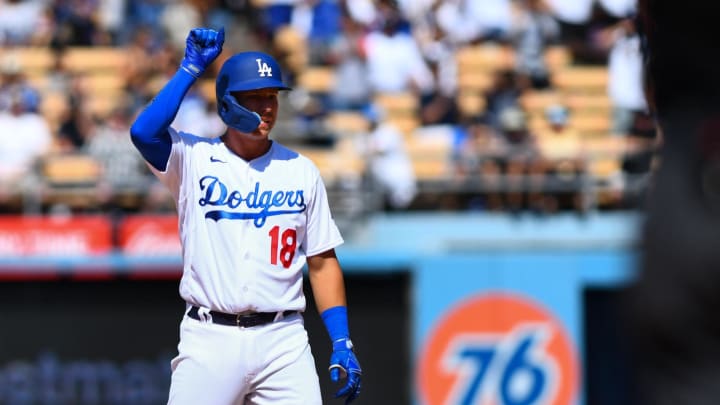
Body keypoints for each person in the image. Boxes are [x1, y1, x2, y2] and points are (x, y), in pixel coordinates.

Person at [130, 27, 362, 404]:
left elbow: (321, 261)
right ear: (227, 105)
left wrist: (341, 340)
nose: (267, 106)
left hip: (283, 339)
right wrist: (190, 68)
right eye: (254, 98)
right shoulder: (193, 158)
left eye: (271, 96)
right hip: (210, 337)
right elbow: (143, 132)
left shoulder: (300, 169)